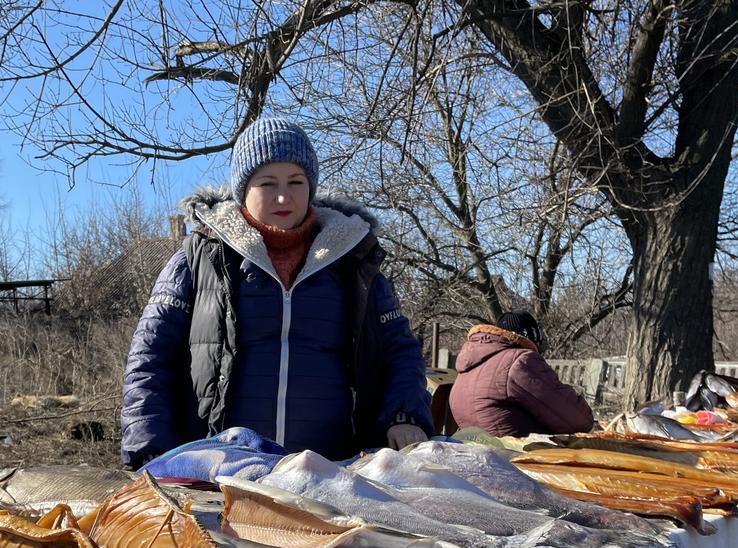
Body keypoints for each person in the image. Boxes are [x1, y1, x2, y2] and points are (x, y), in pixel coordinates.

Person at [119, 116, 432, 468]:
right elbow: (149, 357)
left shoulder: (353, 260)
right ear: (243, 190)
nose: (284, 195)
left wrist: (404, 416)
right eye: (267, 183)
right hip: (219, 473)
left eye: (296, 181)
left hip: (333, 471)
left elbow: (400, 350)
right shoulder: (199, 259)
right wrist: (151, 447)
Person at [448, 311, 595, 438]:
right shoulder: (521, 361)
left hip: (478, 455)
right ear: (531, 338)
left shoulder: (467, 365)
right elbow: (577, 420)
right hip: (516, 458)